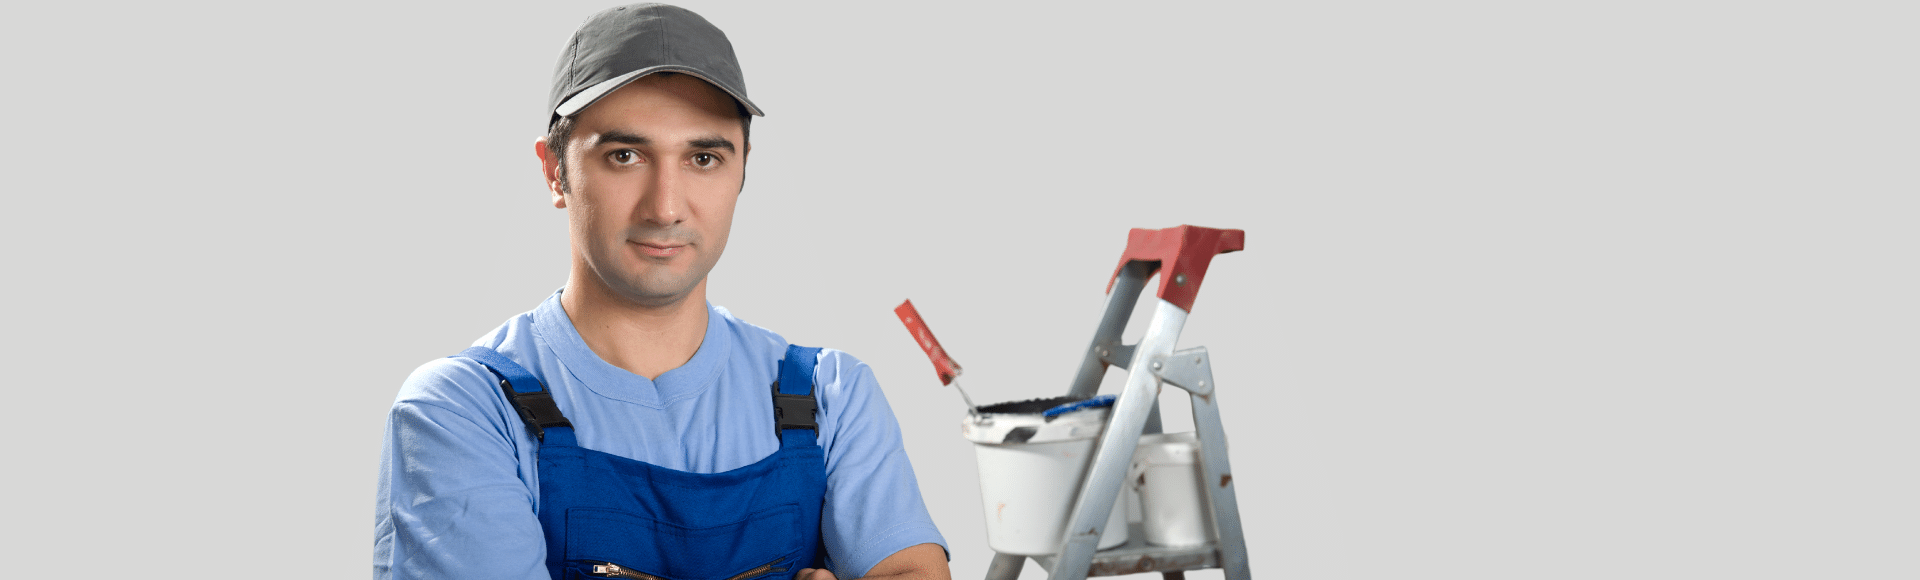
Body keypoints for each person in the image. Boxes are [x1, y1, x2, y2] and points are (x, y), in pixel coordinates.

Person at [372, 4, 951, 579]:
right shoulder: (463, 411)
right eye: (624, 156)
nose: (666, 207)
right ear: (554, 171)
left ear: (743, 169)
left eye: (703, 158)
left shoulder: (832, 396)